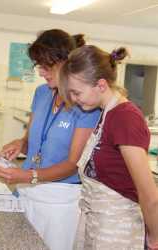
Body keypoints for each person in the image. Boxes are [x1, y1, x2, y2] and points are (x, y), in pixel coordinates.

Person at [0, 29, 100, 250]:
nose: (41, 72)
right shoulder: (42, 93)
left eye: (46, 66)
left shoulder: (85, 103)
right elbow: (31, 136)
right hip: (29, 191)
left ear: (65, 63)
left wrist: (27, 174)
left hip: (61, 201)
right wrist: (21, 144)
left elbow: (73, 164)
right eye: (38, 66)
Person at [59, 45, 158, 250]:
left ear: (101, 85)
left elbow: (149, 195)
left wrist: (155, 238)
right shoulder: (106, 113)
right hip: (98, 225)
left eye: (77, 93)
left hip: (118, 230)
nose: (75, 100)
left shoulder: (125, 117)